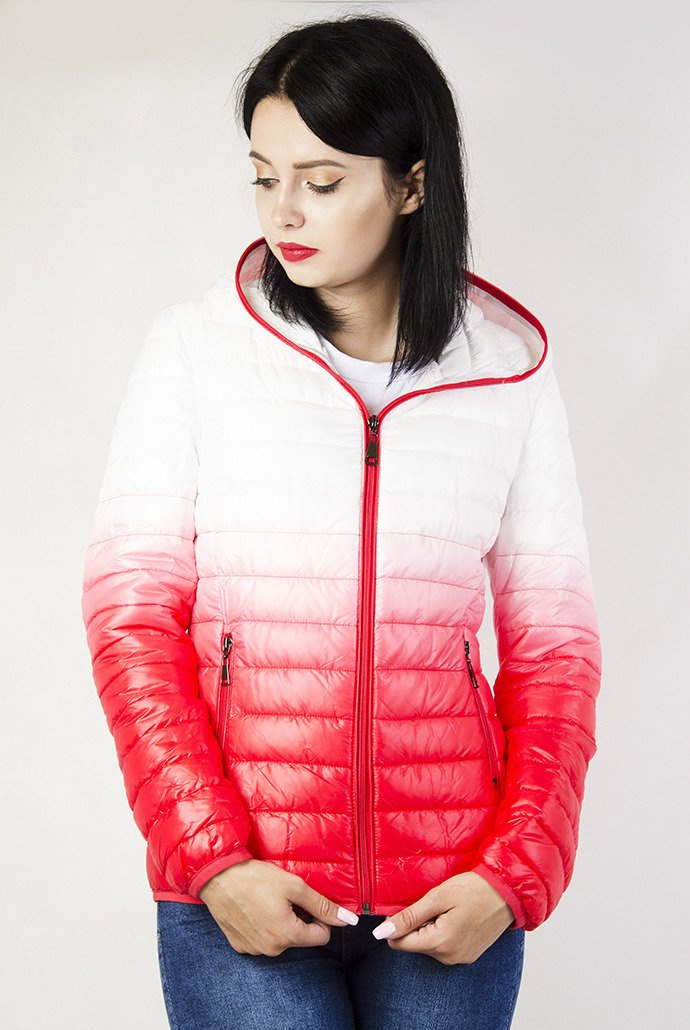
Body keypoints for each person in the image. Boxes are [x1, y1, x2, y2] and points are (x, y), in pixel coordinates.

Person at [81, 12, 602, 1030]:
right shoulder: (197, 351)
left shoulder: (509, 375)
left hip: (449, 895)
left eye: (321, 181)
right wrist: (212, 859)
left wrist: (513, 871)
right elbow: (130, 621)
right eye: (264, 177)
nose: (285, 211)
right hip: (244, 889)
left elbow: (556, 651)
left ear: (412, 184)